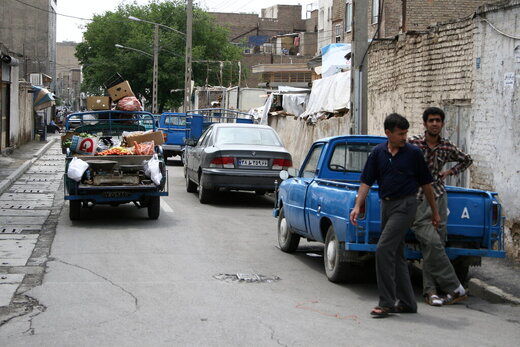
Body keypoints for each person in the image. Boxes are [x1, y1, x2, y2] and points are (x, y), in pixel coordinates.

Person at [349, 113, 440, 318]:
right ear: (388, 133)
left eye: (406, 133)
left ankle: (386, 303)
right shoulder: (378, 153)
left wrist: (434, 211)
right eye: (400, 134)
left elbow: (426, 184)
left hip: (406, 205)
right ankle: (408, 302)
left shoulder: (414, 154)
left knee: (383, 249)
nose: (404, 137)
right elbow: (366, 182)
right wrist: (357, 206)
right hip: (386, 206)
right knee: (397, 254)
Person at [409, 107, 473, 306]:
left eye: (438, 120)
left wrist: (450, 172)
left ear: (442, 124)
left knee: (436, 242)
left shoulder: (447, 146)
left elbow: (466, 159)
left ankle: (431, 292)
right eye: (431, 120)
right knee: (430, 241)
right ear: (425, 123)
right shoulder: (414, 144)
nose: (435, 123)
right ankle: (455, 287)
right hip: (418, 197)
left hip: (438, 196)